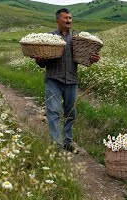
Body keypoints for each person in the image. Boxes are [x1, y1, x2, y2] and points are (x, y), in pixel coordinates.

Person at [34, 8, 101, 153]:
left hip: (71, 80)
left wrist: (93, 59)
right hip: (53, 79)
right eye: (65, 18)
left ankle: (68, 142)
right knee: (53, 111)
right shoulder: (49, 38)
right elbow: (41, 62)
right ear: (58, 20)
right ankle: (56, 144)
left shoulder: (78, 40)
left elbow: (85, 58)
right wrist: (39, 60)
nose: (69, 20)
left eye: (70, 17)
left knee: (71, 113)